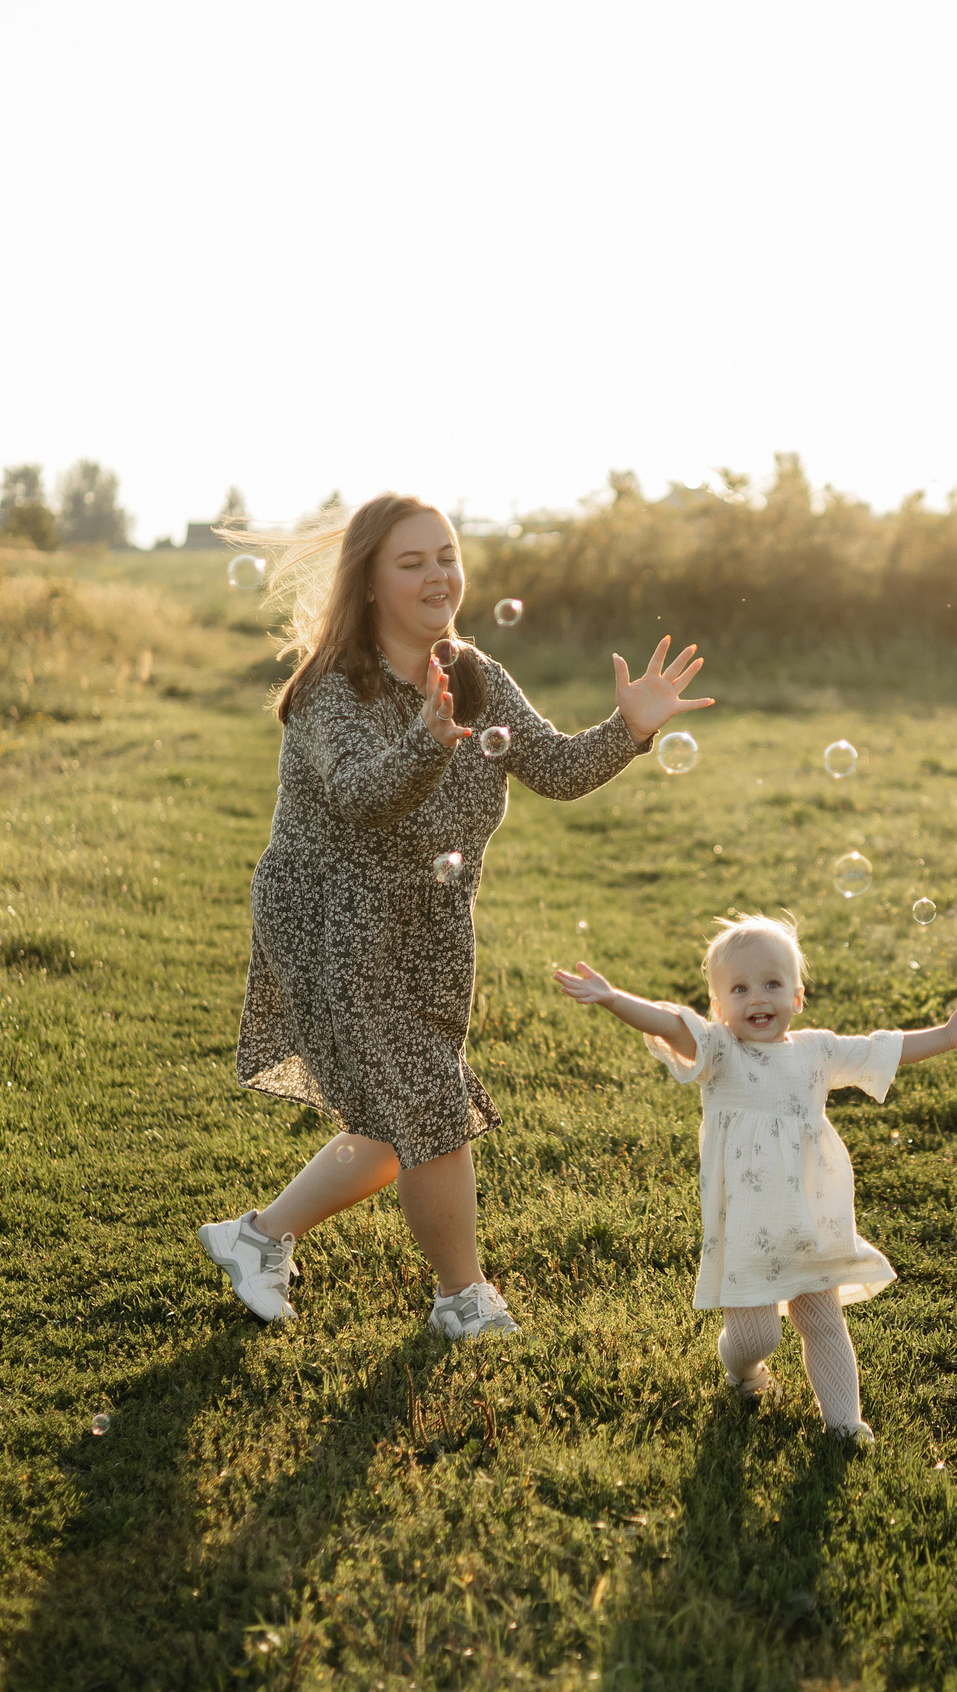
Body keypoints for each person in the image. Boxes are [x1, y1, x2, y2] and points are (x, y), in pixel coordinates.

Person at [195, 493, 712, 1339]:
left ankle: (256, 1237)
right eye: (412, 561)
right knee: (430, 1104)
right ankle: (463, 1299)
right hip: (333, 925)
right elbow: (363, 797)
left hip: (429, 926)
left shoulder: (475, 671)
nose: (439, 574)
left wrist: (629, 728)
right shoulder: (334, 691)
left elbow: (555, 767)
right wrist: (428, 742)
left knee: (398, 1117)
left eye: (447, 554)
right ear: (368, 584)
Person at [552, 915, 957, 1443]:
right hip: (747, 1226)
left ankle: (844, 1425)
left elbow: (880, 1047)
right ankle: (740, 1367)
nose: (757, 999)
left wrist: (948, 1037)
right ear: (719, 1008)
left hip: (810, 1215)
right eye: (739, 989)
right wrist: (613, 999)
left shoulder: (816, 1050)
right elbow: (671, 1023)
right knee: (757, 1336)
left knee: (823, 1319)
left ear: (798, 996)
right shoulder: (721, 1052)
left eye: (772, 983)